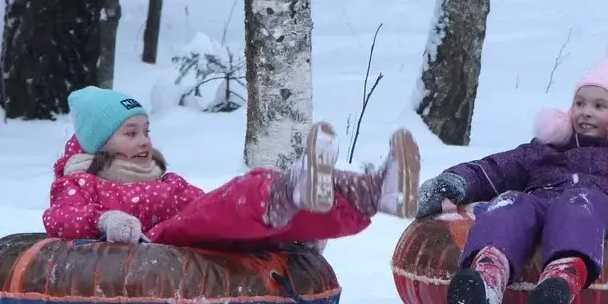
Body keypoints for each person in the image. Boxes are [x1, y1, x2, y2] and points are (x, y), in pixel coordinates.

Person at [415, 38, 608, 304]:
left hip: (587, 206)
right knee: (510, 202)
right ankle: (485, 283)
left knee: (580, 203)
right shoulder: (547, 149)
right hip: (538, 202)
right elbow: (498, 168)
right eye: (580, 103)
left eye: (599, 105)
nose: (586, 112)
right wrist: (455, 181)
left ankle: (558, 284)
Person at [43, 86, 421, 249]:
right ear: (100, 143)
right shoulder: (82, 182)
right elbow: (61, 218)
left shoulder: (167, 181)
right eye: (130, 133)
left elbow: (210, 206)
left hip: (190, 234)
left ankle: (374, 192)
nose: (144, 141)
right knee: (244, 197)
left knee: (258, 211)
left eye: (146, 131)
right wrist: (105, 222)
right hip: (156, 244)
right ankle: (291, 190)